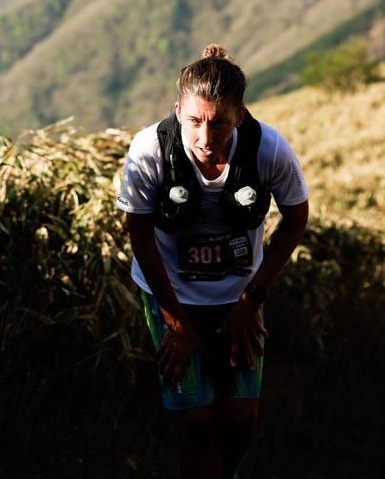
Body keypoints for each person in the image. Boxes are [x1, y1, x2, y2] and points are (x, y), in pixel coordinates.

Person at [118, 45, 309, 479]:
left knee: (242, 418)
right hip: (170, 296)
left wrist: (252, 299)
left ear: (240, 115)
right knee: (199, 422)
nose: (205, 138)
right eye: (194, 121)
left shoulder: (267, 149)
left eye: (219, 122)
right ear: (177, 111)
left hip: (238, 299)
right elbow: (139, 233)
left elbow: (296, 218)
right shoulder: (150, 149)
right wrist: (175, 322)